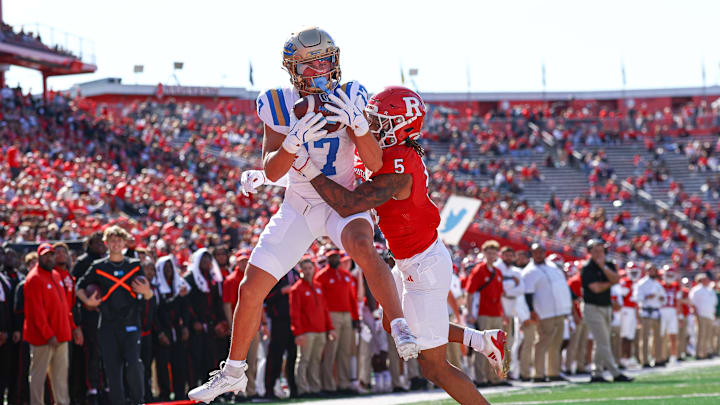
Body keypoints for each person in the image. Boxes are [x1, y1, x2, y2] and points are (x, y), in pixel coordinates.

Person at [188, 27, 418, 403]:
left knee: (363, 245)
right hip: (299, 202)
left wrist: (360, 127)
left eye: (326, 60)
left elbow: (375, 163)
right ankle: (232, 372)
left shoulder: (352, 93)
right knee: (251, 286)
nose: (322, 69)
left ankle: (399, 324)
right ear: (294, 69)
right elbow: (275, 170)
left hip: (342, 197)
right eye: (311, 65)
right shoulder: (277, 103)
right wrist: (292, 143)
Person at [294, 86, 504, 404]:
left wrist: (308, 170)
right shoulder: (394, 154)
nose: (372, 127)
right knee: (392, 321)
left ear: (401, 126)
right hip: (410, 258)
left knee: (434, 368)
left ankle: (483, 354)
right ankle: (482, 339)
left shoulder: (398, 165)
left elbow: (349, 204)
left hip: (423, 265)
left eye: (379, 122)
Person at [76, 226, 155, 405]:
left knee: (134, 363)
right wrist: (88, 302)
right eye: (112, 240)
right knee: (112, 369)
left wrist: (147, 292)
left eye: (119, 240)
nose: (116, 244)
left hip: (131, 322)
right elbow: (79, 286)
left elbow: (147, 294)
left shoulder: (134, 265)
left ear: (125, 242)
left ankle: (138, 401)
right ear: (106, 243)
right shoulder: (98, 266)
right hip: (107, 325)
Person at [23, 243, 72, 405]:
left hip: (61, 335)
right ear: (38, 257)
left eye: (51, 254)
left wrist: (66, 330)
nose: (49, 258)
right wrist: (49, 334)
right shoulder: (34, 278)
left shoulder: (56, 275)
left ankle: (62, 403)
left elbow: (63, 306)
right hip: (42, 338)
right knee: (38, 375)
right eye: (45, 255)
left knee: (60, 376)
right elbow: (37, 312)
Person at [581, 239, 633, 383]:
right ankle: (615, 372)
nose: (598, 252)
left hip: (606, 306)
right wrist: (610, 281)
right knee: (603, 341)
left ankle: (596, 372)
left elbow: (616, 279)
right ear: (590, 252)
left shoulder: (608, 265)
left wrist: (604, 268)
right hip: (592, 307)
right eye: (595, 250)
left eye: (600, 249)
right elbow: (595, 288)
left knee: (601, 341)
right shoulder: (587, 267)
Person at [523, 243, 572, 382]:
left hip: (559, 311)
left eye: (541, 251)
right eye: (535, 252)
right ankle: (538, 374)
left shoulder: (552, 266)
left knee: (556, 343)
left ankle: (553, 372)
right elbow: (528, 294)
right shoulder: (529, 271)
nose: (539, 254)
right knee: (542, 343)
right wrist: (531, 310)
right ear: (531, 254)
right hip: (544, 312)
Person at [313, 248, 359, 393]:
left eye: (336, 257)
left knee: (344, 351)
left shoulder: (346, 275)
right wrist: (325, 320)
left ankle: (343, 384)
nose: (334, 259)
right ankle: (328, 385)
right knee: (330, 351)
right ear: (327, 259)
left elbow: (352, 298)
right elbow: (320, 301)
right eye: (331, 257)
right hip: (332, 316)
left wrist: (355, 317)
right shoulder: (321, 276)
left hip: (347, 315)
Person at [290, 255, 335, 397]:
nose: (308, 271)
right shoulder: (296, 289)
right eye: (305, 269)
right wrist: (298, 333)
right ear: (301, 271)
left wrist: (330, 328)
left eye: (310, 268)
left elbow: (324, 309)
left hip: (320, 330)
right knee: (304, 360)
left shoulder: (318, 286)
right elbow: (294, 313)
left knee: (315, 361)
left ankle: (315, 388)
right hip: (306, 332)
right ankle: (303, 389)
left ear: (314, 269)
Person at [465, 241, 508, 387]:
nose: (491, 256)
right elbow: (469, 293)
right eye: (489, 253)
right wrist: (470, 312)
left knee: (497, 349)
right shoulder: (479, 270)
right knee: (482, 347)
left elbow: (500, 295)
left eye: (494, 253)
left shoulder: (498, 272)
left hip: (496, 313)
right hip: (483, 313)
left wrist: (504, 314)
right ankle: (481, 378)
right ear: (484, 254)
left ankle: (495, 378)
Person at [71, 232, 106, 405]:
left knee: (105, 353)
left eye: (103, 241)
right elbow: (75, 288)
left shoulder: (107, 260)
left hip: (106, 314)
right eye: (98, 242)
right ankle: (91, 390)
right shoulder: (83, 261)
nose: (101, 245)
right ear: (90, 243)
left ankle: (105, 388)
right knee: (91, 354)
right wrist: (87, 301)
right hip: (88, 315)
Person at [222, 251, 262, 400]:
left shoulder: (255, 278)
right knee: (238, 361)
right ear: (237, 262)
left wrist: (261, 323)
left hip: (254, 325)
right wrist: (232, 325)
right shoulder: (231, 280)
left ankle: (250, 390)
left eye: (247, 260)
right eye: (242, 261)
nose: (244, 264)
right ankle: (239, 392)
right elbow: (226, 305)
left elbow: (259, 303)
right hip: (240, 327)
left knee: (252, 360)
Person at [154, 255, 190, 401]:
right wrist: (160, 333)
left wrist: (186, 326)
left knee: (179, 363)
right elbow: (157, 311)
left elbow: (185, 309)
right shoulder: (156, 286)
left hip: (177, 329)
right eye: (165, 267)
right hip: (163, 330)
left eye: (170, 267)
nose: (168, 270)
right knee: (162, 364)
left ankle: (180, 393)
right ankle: (165, 394)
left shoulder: (178, 284)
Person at [634, 263, 665, 367]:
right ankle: (645, 360)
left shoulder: (658, 284)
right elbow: (637, 297)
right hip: (646, 311)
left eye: (654, 270)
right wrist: (647, 297)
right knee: (645, 338)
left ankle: (658, 358)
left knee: (657, 337)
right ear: (646, 271)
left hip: (656, 311)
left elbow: (664, 297)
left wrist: (661, 299)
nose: (652, 272)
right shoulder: (641, 283)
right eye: (650, 270)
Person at [617, 262, 641, 369]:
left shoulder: (635, 283)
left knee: (630, 335)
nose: (635, 274)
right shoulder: (625, 282)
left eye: (636, 272)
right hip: (625, 310)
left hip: (632, 310)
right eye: (633, 272)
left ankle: (627, 357)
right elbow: (621, 298)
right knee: (625, 335)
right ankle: (623, 358)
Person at [689, 274, 717, 360]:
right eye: (705, 279)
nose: (707, 280)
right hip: (701, 315)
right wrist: (696, 316)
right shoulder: (696, 290)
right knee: (701, 335)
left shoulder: (710, 290)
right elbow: (692, 303)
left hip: (710, 315)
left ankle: (705, 352)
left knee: (708, 335)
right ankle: (699, 354)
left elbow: (714, 303)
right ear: (700, 280)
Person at [659, 266, 682, 365]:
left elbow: (678, 301)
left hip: (672, 311)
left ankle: (673, 356)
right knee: (660, 335)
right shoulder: (659, 285)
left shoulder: (676, 286)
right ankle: (660, 356)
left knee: (673, 335)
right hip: (662, 310)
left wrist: (679, 315)